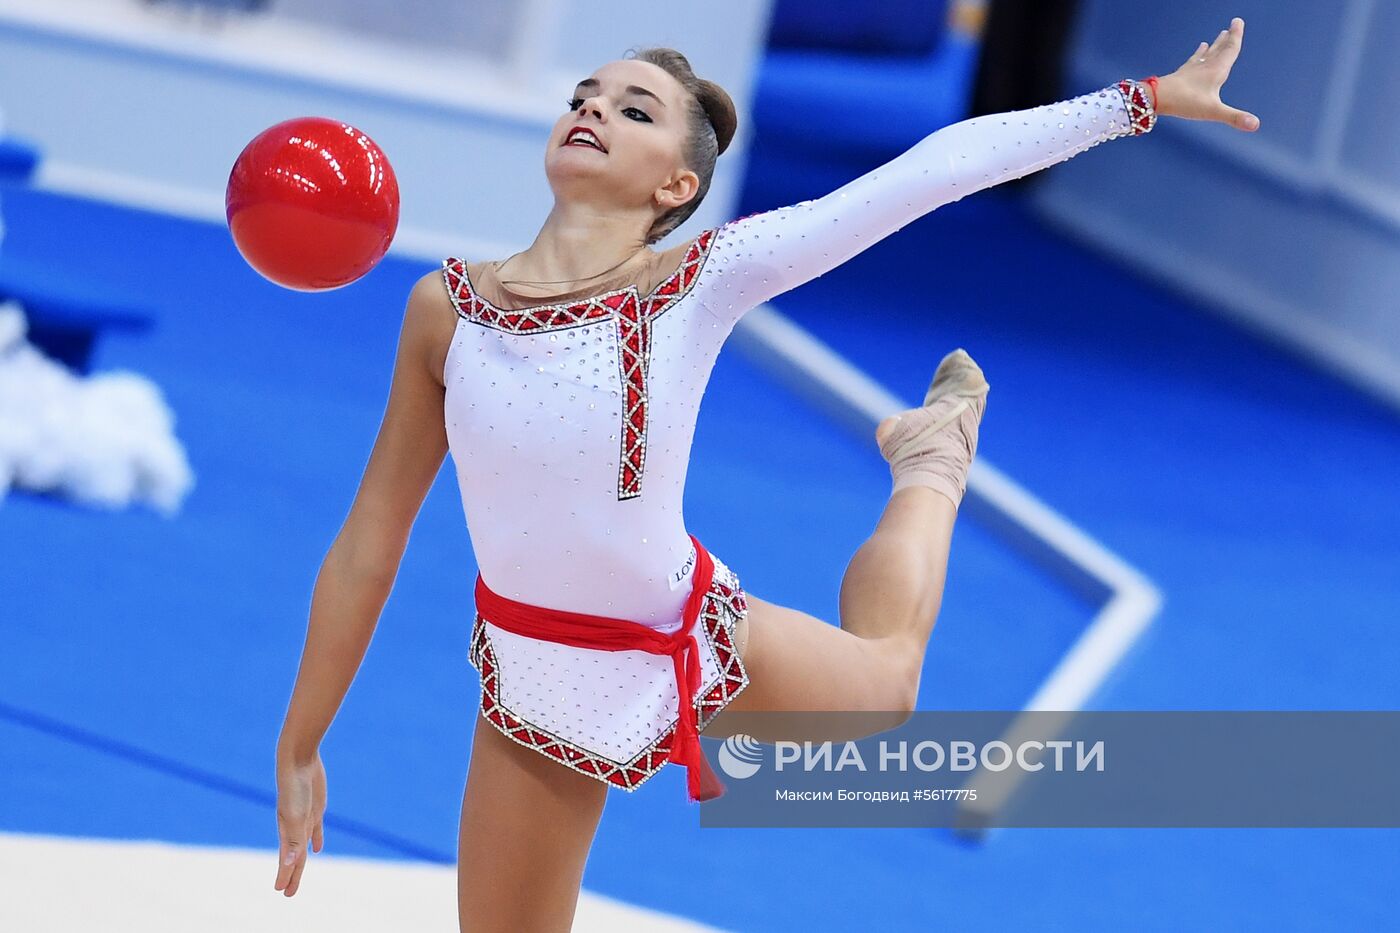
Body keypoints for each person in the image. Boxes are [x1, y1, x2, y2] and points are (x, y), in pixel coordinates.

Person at [273, 18, 1257, 931]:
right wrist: (302, 739)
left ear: (675, 188)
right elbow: (371, 538)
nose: (591, 110)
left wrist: (1136, 100)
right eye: (585, 94)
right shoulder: (445, 314)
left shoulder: (700, 280)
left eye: (633, 109)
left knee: (888, 687)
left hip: (679, 634)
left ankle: (930, 461)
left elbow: (929, 172)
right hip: (535, 675)